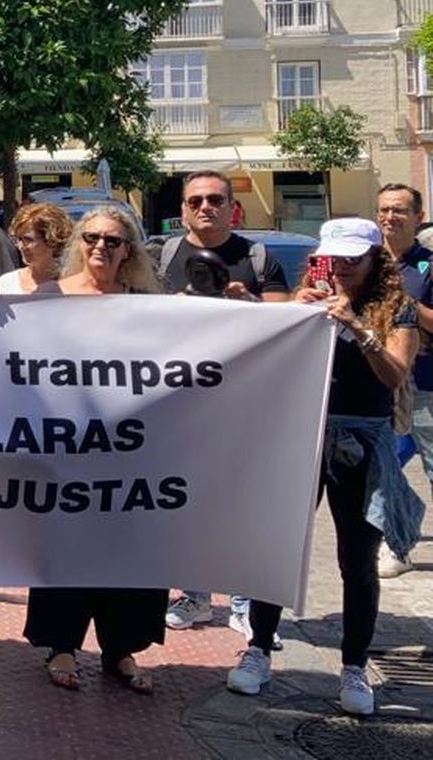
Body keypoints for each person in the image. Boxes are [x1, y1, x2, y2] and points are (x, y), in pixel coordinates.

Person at [226, 218, 424, 718]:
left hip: (362, 437)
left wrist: (358, 329)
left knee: (357, 557)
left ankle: (354, 665)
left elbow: (395, 373)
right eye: (335, 258)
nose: (342, 269)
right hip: (303, 433)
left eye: (353, 260)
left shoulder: (396, 309)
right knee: (279, 544)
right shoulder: (308, 300)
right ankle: (258, 648)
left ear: (375, 260)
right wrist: (254, 309)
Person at [24, 208, 165, 694]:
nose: (101, 246)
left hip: (128, 454)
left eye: (113, 239)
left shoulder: (149, 307)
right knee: (66, 547)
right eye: (92, 237)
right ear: (78, 244)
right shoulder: (47, 299)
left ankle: (119, 650)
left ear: (129, 249)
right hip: (65, 451)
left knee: (126, 548)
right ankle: (61, 645)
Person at [160, 170, 290, 634]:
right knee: (186, 502)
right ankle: (195, 596)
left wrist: (249, 302)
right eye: (195, 201)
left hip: (242, 402)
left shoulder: (257, 256)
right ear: (182, 210)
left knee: (237, 502)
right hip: (181, 400)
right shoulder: (167, 255)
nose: (204, 207)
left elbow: (286, 322)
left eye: (215, 199)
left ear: (232, 207)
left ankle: (240, 601)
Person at [375, 183, 433, 579]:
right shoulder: (367, 263)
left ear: (418, 216)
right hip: (380, 385)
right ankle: (398, 542)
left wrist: (409, 305)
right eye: (383, 210)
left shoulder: (429, 264)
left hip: (428, 386)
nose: (389, 217)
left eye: (399, 210)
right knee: (383, 472)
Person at [0, 203, 70, 297]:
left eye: (28, 240)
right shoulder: (7, 283)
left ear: (52, 240)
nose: (20, 246)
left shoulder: (72, 283)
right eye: (18, 239)